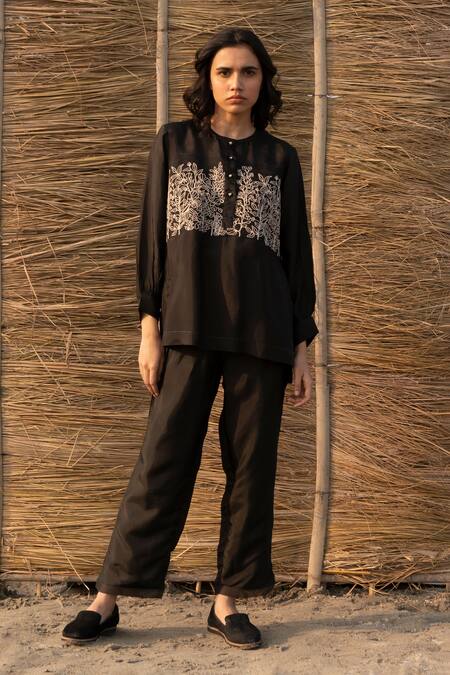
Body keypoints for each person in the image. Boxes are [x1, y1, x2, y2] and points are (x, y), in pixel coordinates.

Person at [61, 26, 318, 650]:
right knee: (163, 458)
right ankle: (107, 597)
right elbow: (153, 240)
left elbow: (297, 257)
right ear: (208, 79)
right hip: (185, 323)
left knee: (250, 467)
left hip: (263, 332)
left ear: (264, 81)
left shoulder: (281, 157)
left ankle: (227, 602)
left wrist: (302, 347)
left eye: (249, 72)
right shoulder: (173, 144)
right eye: (225, 72)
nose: (237, 83)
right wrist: (148, 328)